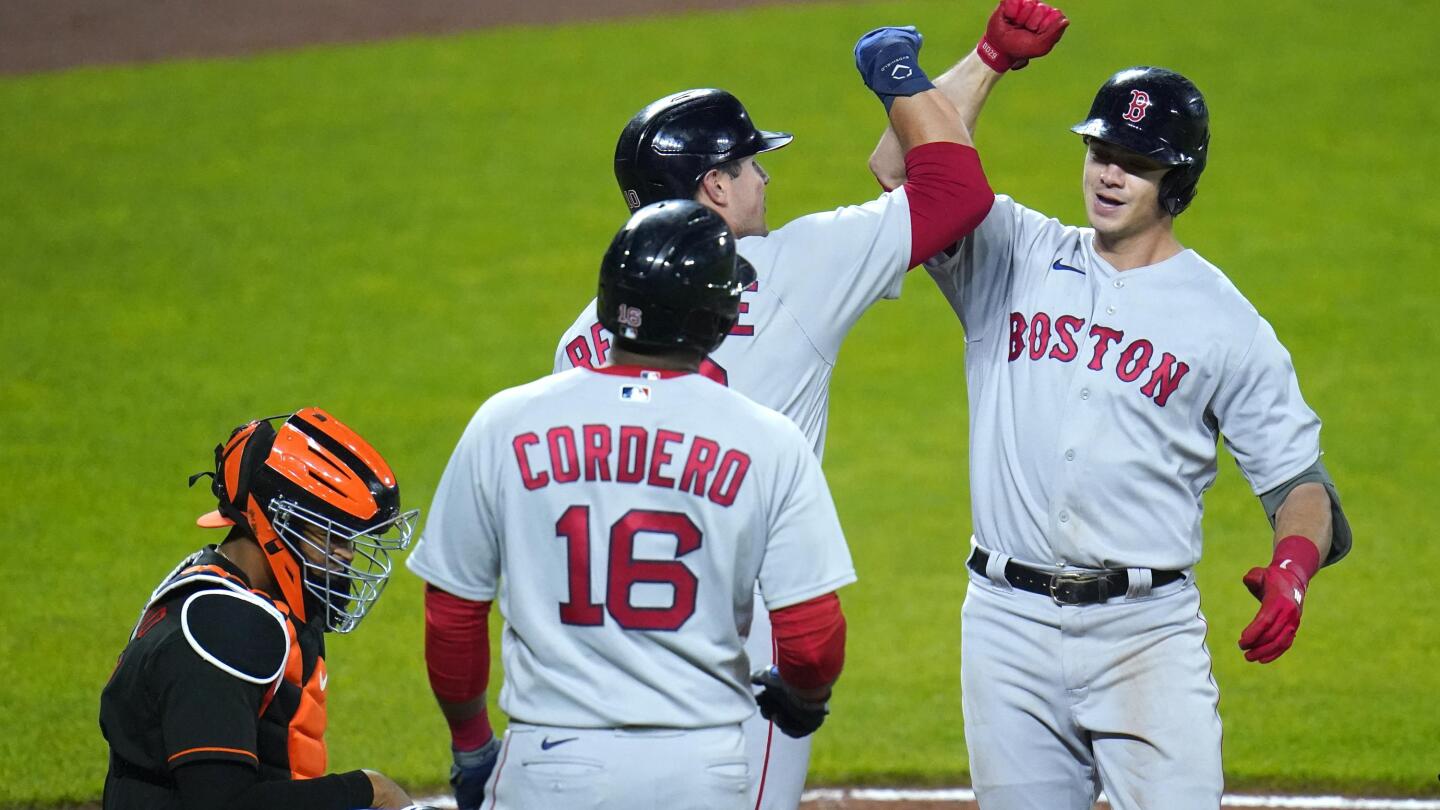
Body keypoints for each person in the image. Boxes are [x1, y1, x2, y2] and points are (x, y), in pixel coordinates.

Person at [545, 11, 1040, 805]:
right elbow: (955, 190)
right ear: (714, 187)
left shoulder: (585, 334)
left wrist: (984, 61)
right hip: (738, 633)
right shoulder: (791, 270)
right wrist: (898, 75)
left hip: (595, 634)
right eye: (749, 165)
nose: (765, 179)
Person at [868, 6, 1354, 808]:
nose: (1108, 173)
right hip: (1005, 628)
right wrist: (989, 59)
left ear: (1179, 181)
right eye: (1100, 149)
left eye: (1135, 161)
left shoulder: (1223, 320)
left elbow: (1300, 483)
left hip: (1145, 638)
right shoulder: (1014, 252)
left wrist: (1295, 569)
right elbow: (899, 169)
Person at [408, 200, 857, 810]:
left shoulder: (506, 422)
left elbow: (453, 613)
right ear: (720, 317)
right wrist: (803, 698)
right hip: (700, 769)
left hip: (551, 763)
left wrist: (470, 744)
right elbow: (810, 639)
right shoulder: (767, 439)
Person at [100, 408, 429, 810]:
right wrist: (369, 790)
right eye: (333, 536)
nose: (346, 555)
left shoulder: (230, 588)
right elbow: (222, 803)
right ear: (275, 522)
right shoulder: (222, 631)